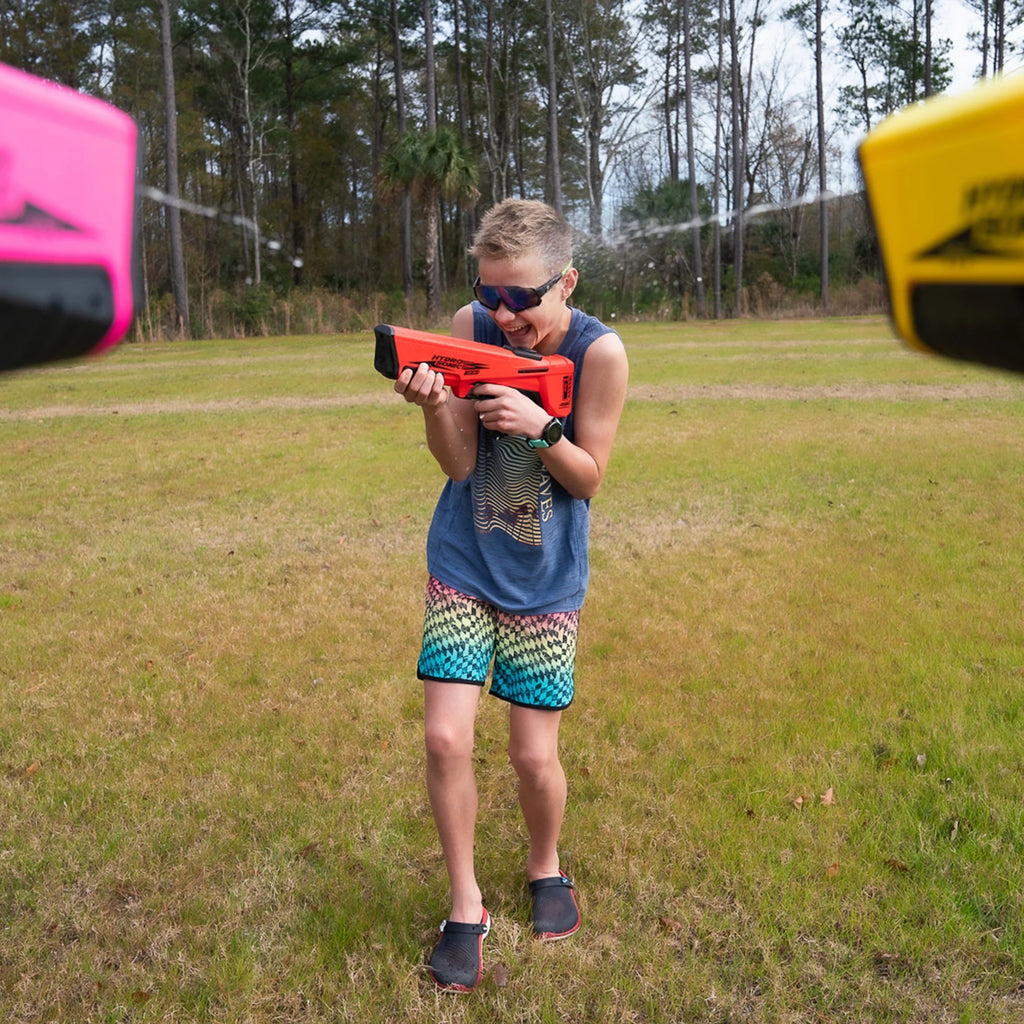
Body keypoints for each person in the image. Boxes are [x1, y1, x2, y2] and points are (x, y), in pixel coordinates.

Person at [392, 198, 629, 992]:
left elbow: (590, 477)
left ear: (567, 283)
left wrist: (540, 426)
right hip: (464, 559)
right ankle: (466, 906)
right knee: (444, 741)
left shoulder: (601, 354)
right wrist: (435, 406)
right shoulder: (473, 323)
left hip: (545, 580)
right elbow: (459, 463)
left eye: (523, 298)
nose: (504, 314)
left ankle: (545, 866)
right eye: (491, 293)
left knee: (534, 757)